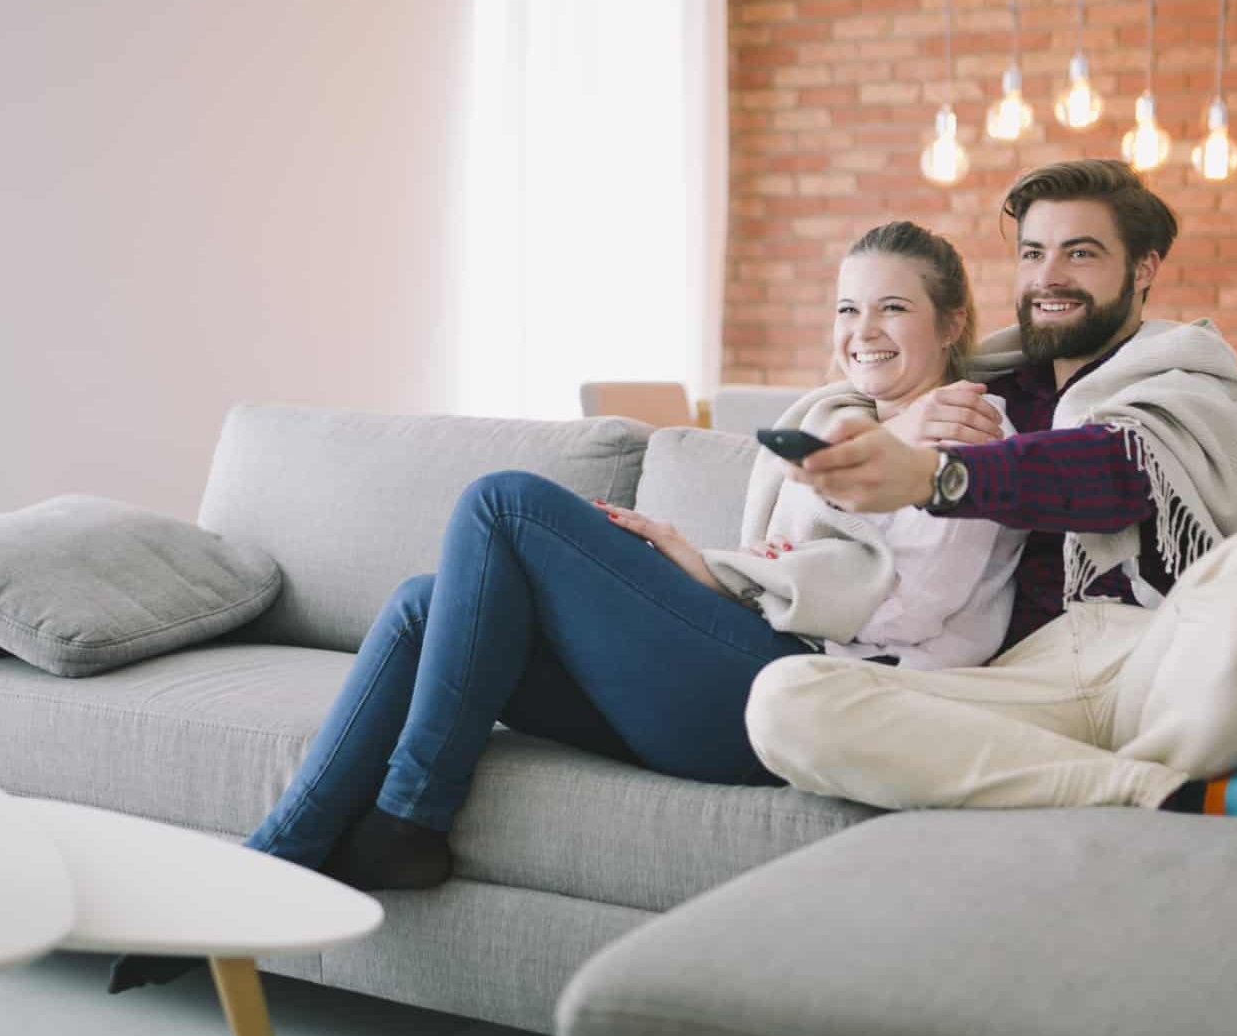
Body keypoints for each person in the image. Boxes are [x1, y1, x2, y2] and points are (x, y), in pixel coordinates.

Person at [108, 221, 1024, 994]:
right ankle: (272, 859)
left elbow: (904, 613)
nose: (864, 331)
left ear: (951, 323)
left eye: (893, 307)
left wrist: (763, 566)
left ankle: (412, 815)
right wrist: (706, 567)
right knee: (426, 604)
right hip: (747, 662)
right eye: (848, 309)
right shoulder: (839, 419)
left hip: (808, 704)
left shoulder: (976, 442)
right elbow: (804, 571)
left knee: (504, 503)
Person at [747, 158, 1237, 823]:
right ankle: (1166, 792)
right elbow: (872, 414)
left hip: (1158, 655)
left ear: (1143, 270)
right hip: (1014, 681)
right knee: (786, 702)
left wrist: (941, 477)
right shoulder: (983, 391)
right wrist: (886, 432)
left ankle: (1103, 772)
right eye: (1032, 254)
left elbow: (1119, 471)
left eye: (1080, 254)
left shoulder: (1186, 379)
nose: (1049, 276)